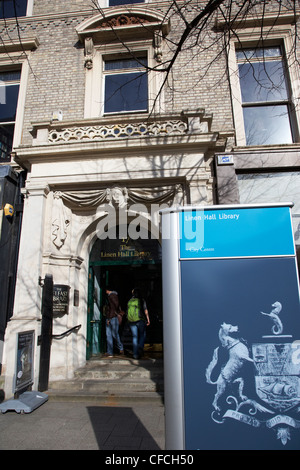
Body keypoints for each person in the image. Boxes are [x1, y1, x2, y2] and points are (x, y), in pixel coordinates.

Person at [127, 288, 150, 359]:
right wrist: (148, 319)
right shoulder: (141, 300)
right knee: (142, 335)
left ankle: (135, 354)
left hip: (132, 321)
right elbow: (145, 311)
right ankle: (140, 346)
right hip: (140, 320)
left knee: (135, 337)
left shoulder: (130, 301)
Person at [105, 287, 124, 358]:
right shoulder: (112, 296)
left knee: (113, 334)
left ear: (107, 290)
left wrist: (109, 318)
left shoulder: (112, 296)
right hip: (110, 317)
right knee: (110, 334)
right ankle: (110, 351)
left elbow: (113, 308)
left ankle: (120, 348)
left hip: (112, 317)